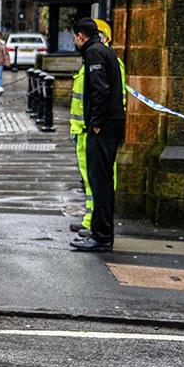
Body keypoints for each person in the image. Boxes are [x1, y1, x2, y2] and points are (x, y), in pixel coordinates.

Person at [70, 17, 125, 252]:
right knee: (100, 183)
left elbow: (100, 90)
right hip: (109, 127)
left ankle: (101, 237)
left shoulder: (94, 54)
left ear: (80, 36)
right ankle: (101, 232)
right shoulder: (104, 51)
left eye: (75, 37)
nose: (75, 41)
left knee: (100, 183)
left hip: (103, 129)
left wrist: (95, 123)